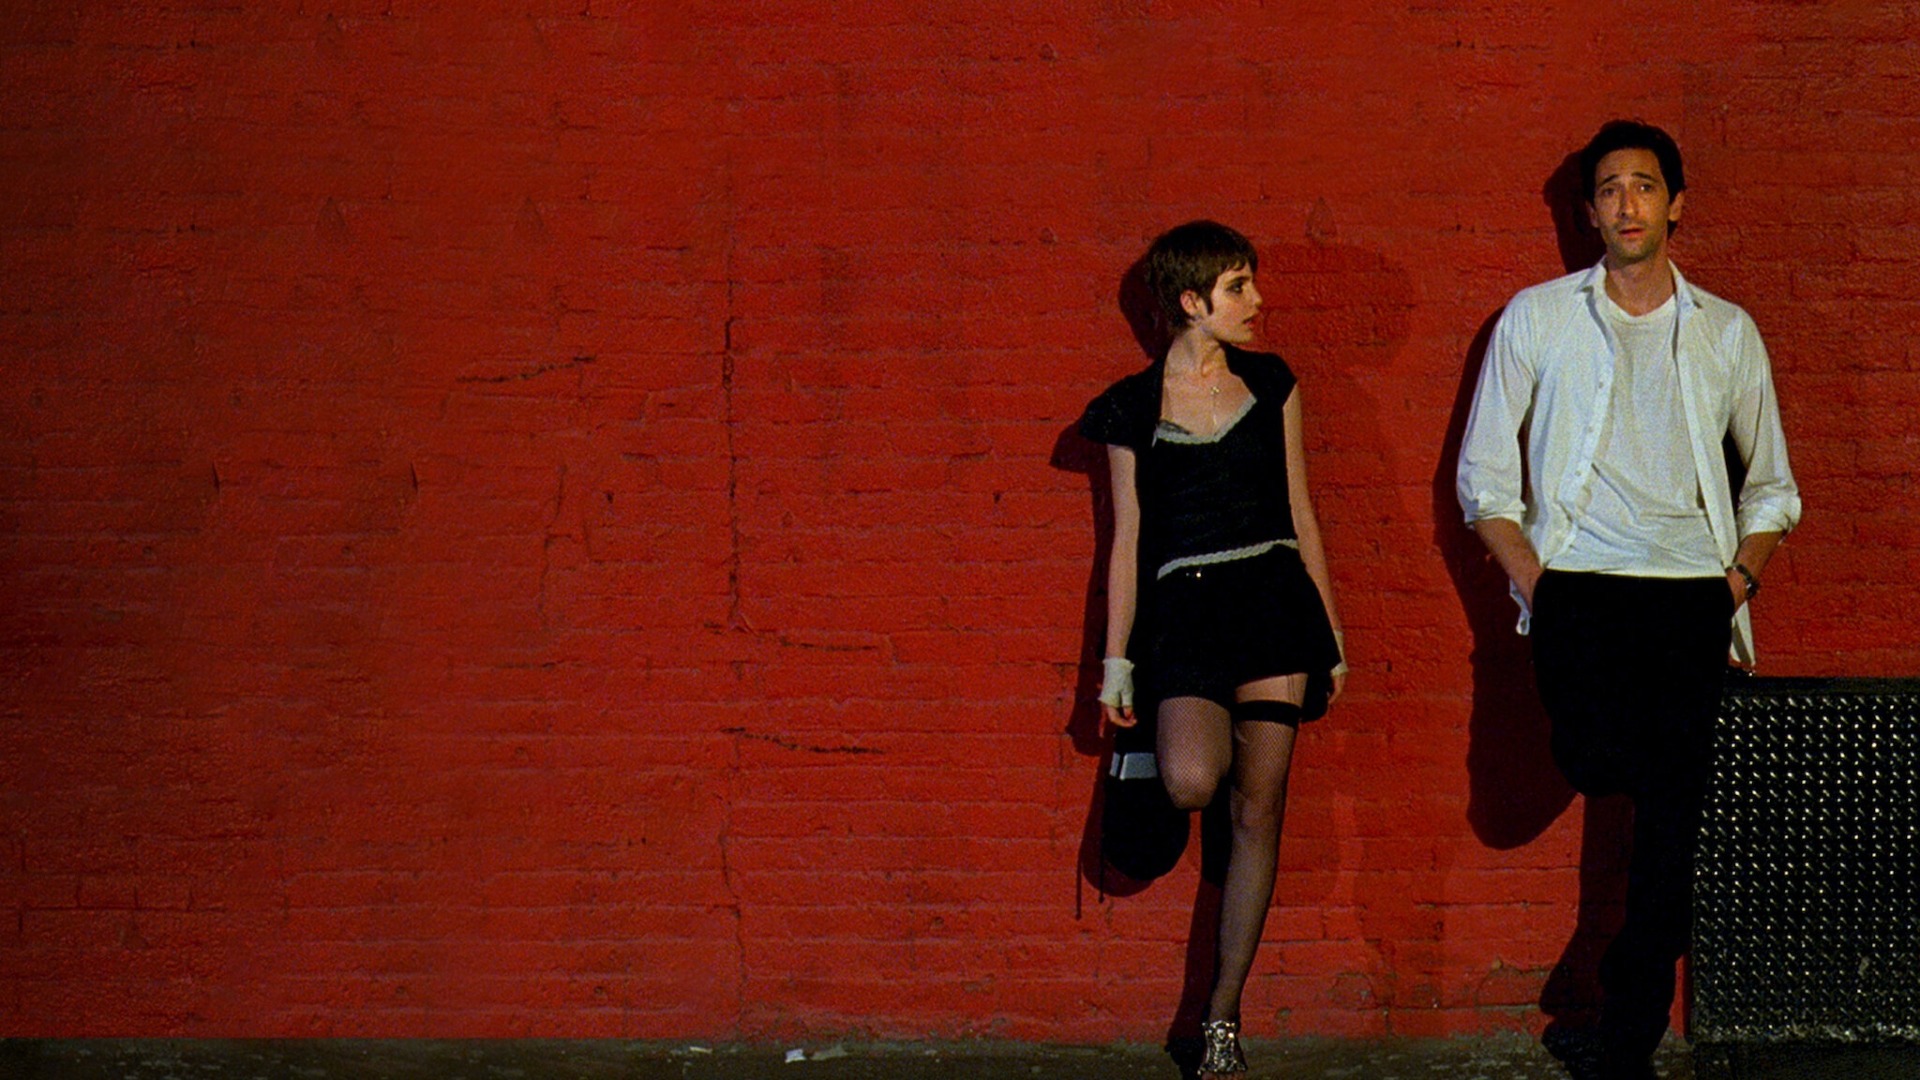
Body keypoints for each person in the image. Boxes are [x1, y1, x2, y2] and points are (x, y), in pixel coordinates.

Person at [1457, 120, 1801, 1077]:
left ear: (1676, 203)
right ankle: (1623, 974)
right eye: (1609, 189)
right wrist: (1540, 585)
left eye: (1645, 186)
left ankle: (1628, 1031)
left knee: (1670, 824)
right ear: (1589, 212)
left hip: (1690, 593)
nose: (1627, 205)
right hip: (1581, 591)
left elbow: (1772, 485)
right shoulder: (1539, 318)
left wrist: (1736, 580)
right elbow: (1484, 479)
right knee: (1593, 763)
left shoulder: (1725, 330)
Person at [1081, 220, 1347, 1078]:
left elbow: (1301, 511)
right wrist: (1117, 664)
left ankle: (1222, 1015)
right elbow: (1126, 543)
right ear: (1191, 302)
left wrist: (1331, 634)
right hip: (1185, 614)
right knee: (1193, 779)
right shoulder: (1131, 408)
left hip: (1273, 605)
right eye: (1239, 287)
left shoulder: (1270, 384)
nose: (1257, 301)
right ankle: (1187, 740)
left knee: (1257, 811)